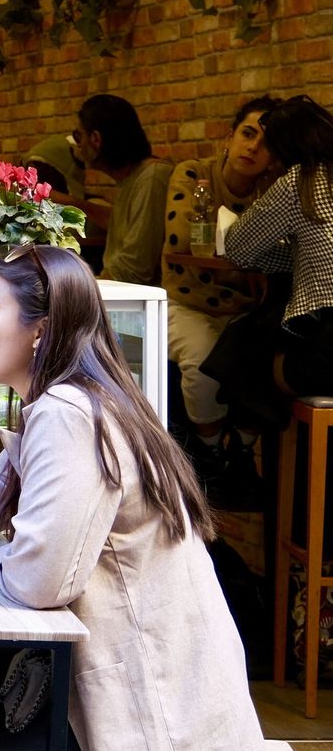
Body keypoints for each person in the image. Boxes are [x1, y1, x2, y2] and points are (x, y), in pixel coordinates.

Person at [0, 244, 282, 750]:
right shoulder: (74, 397)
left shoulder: (69, 412)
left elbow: (40, 582)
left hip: (142, 701)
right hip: (123, 669)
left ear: (40, 329)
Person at [162, 95, 278, 500]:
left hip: (243, 311)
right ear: (228, 137)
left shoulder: (272, 192)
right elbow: (185, 246)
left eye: (265, 143)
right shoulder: (194, 175)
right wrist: (247, 268)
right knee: (204, 362)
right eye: (247, 134)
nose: (253, 148)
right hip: (187, 302)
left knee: (266, 358)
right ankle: (211, 455)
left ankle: (242, 453)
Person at [222, 94, 333, 401]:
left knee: (256, 356)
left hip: (329, 349)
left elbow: (238, 248)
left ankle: (235, 443)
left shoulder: (299, 181)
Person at [72, 94, 172, 284]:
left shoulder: (152, 178)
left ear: (95, 139)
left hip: (143, 302)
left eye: (79, 135)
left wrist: (87, 293)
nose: (78, 144)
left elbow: (136, 268)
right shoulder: (130, 181)